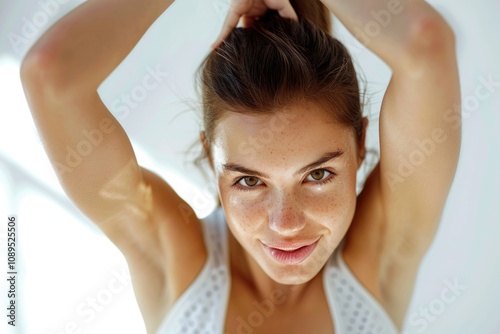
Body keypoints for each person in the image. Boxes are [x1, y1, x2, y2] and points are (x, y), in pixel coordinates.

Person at [20, 0, 461, 333]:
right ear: (211, 156)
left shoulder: (381, 249)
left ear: (361, 143)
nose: (285, 224)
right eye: (249, 180)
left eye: (318, 175)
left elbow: (425, 42)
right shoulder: (175, 257)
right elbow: (49, 73)